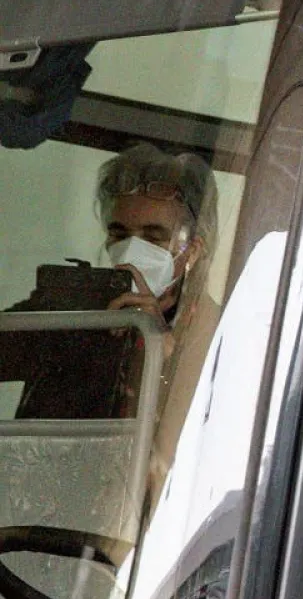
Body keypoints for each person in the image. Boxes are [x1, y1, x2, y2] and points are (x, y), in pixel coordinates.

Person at [0, 143, 217, 419]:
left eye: (152, 238)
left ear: (192, 251)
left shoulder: (213, 332)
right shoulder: (80, 308)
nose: (131, 250)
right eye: (120, 234)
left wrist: (158, 353)